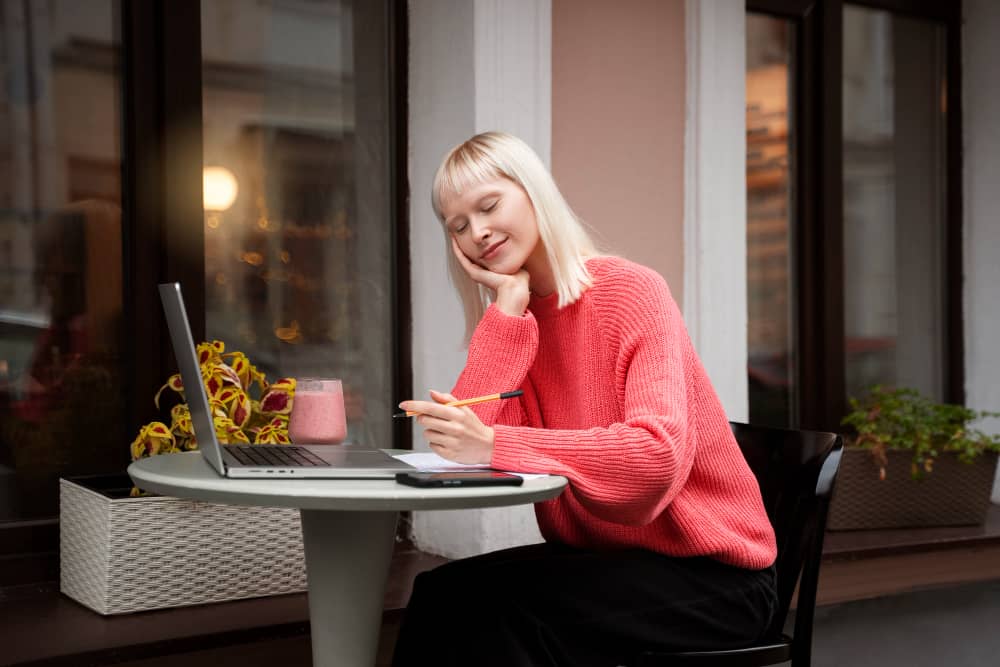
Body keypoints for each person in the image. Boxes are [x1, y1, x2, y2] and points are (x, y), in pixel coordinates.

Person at [392, 132, 778, 667]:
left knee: (503, 613)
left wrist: (492, 443)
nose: (477, 232)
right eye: (457, 226)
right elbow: (468, 444)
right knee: (441, 594)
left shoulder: (633, 292)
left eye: (488, 206)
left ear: (533, 192)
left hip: (716, 577)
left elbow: (653, 461)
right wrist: (505, 313)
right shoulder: (521, 320)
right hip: (606, 561)